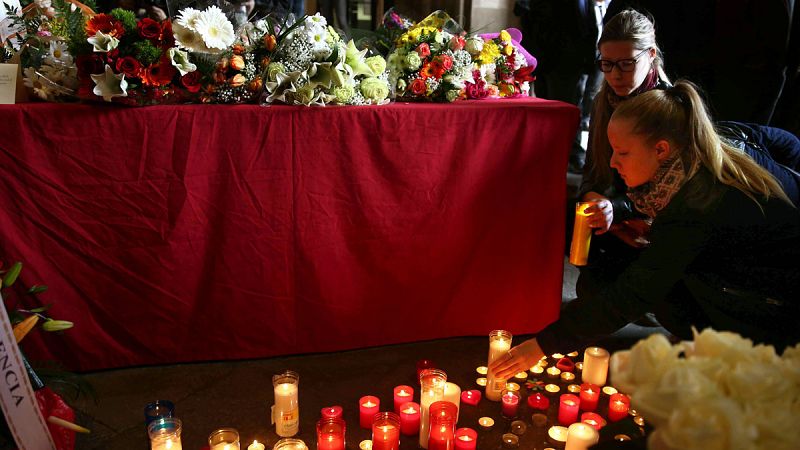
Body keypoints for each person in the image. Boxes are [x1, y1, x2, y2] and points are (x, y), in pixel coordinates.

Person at [490, 80, 800, 379]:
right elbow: (788, 143)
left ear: (661, 150)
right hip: (759, 260)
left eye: (622, 153)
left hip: (776, 294)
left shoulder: (695, 207)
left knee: (662, 294)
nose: (612, 162)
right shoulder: (711, 139)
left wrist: (542, 345)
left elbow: (634, 294)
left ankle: (739, 346)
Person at [574, 10, 800, 297]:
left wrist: (622, 211)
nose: (615, 75)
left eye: (626, 64)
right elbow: (596, 171)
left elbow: (677, 193)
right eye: (606, 64)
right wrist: (595, 198)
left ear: (651, 54)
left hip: (657, 220)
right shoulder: (602, 102)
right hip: (622, 214)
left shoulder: (673, 109)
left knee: (656, 291)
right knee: (591, 281)